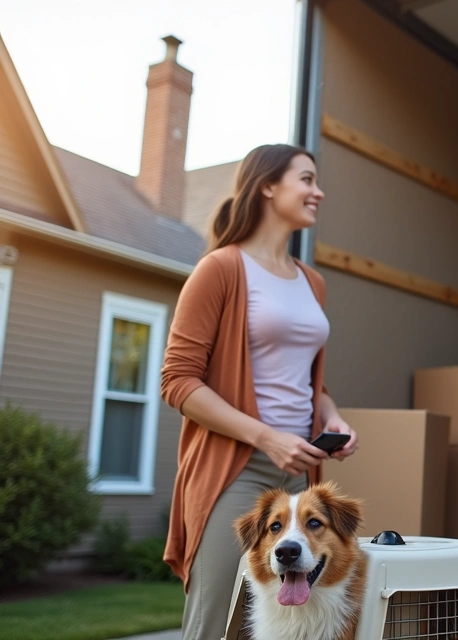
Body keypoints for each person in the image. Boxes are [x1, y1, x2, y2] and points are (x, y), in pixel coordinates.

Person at [160, 143, 359, 639]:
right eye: (307, 179)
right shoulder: (221, 269)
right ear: (268, 185)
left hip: (302, 473)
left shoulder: (312, 282)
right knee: (217, 621)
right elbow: (178, 380)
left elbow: (310, 380)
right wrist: (267, 437)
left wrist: (331, 416)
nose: (319, 191)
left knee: (295, 623)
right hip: (237, 470)